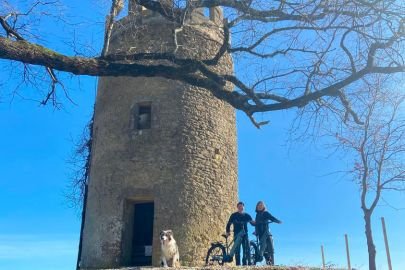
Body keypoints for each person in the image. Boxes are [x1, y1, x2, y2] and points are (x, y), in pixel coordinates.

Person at [225, 201, 254, 265]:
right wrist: (228, 231)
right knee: (237, 250)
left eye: (242, 206)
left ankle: (244, 265)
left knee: (245, 249)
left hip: (245, 234)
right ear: (237, 207)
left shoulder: (247, 215)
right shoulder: (234, 215)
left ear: (243, 207)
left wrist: (257, 223)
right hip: (236, 234)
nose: (241, 207)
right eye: (239, 206)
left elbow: (252, 223)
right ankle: (238, 265)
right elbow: (229, 223)